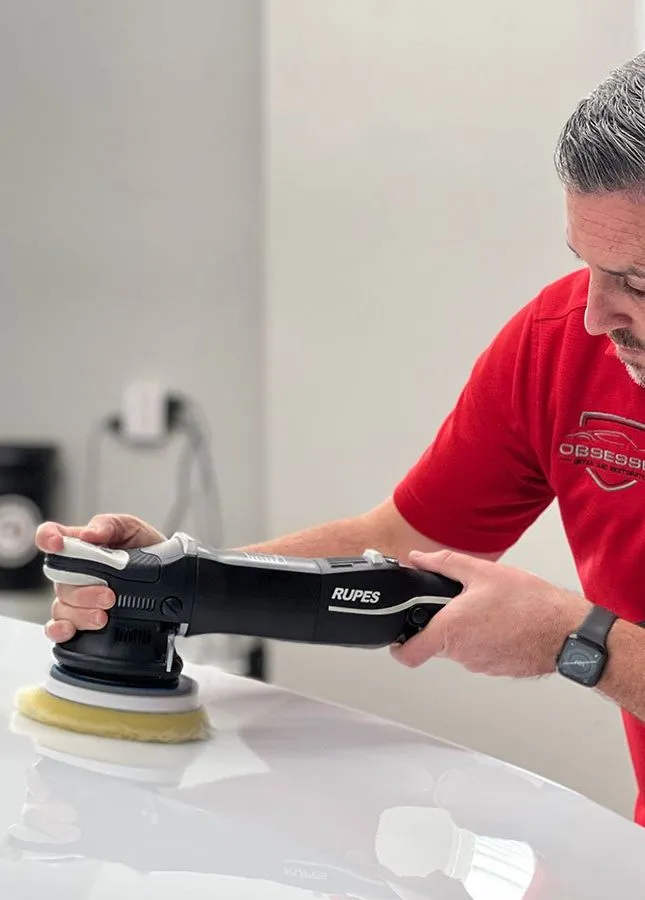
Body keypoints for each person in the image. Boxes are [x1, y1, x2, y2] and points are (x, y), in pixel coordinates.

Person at [36, 51, 645, 826]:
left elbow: (577, 637)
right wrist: (181, 583)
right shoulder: (560, 344)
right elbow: (399, 541)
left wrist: (577, 640)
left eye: (636, 282)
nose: (596, 315)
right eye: (586, 266)